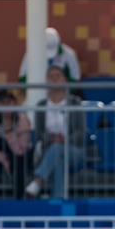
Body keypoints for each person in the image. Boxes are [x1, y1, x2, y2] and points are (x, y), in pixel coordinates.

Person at [25, 65, 86, 198]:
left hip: (74, 150)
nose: (54, 79)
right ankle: (58, 201)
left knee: (58, 149)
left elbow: (81, 131)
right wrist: (51, 139)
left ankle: (38, 181)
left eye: (57, 76)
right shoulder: (41, 105)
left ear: (64, 80)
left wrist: (65, 139)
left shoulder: (75, 102)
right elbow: (40, 133)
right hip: (50, 150)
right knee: (58, 158)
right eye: (51, 77)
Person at [0, 90, 33, 198]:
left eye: (9, 102)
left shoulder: (22, 120)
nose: (5, 105)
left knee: (18, 161)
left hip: (16, 155)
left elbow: (23, 147)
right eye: (2, 102)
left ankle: (19, 197)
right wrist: (1, 157)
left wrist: (8, 134)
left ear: (15, 103)